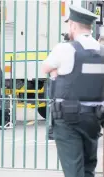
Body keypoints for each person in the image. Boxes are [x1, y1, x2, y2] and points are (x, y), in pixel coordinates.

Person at [42, 5, 104, 177]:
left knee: (73, 170)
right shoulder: (101, 51)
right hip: (93, 119)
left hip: (68, 120)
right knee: (87, 169)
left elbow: (45, 68)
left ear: (74, 26)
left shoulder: (65, 49)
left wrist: (56, 72)